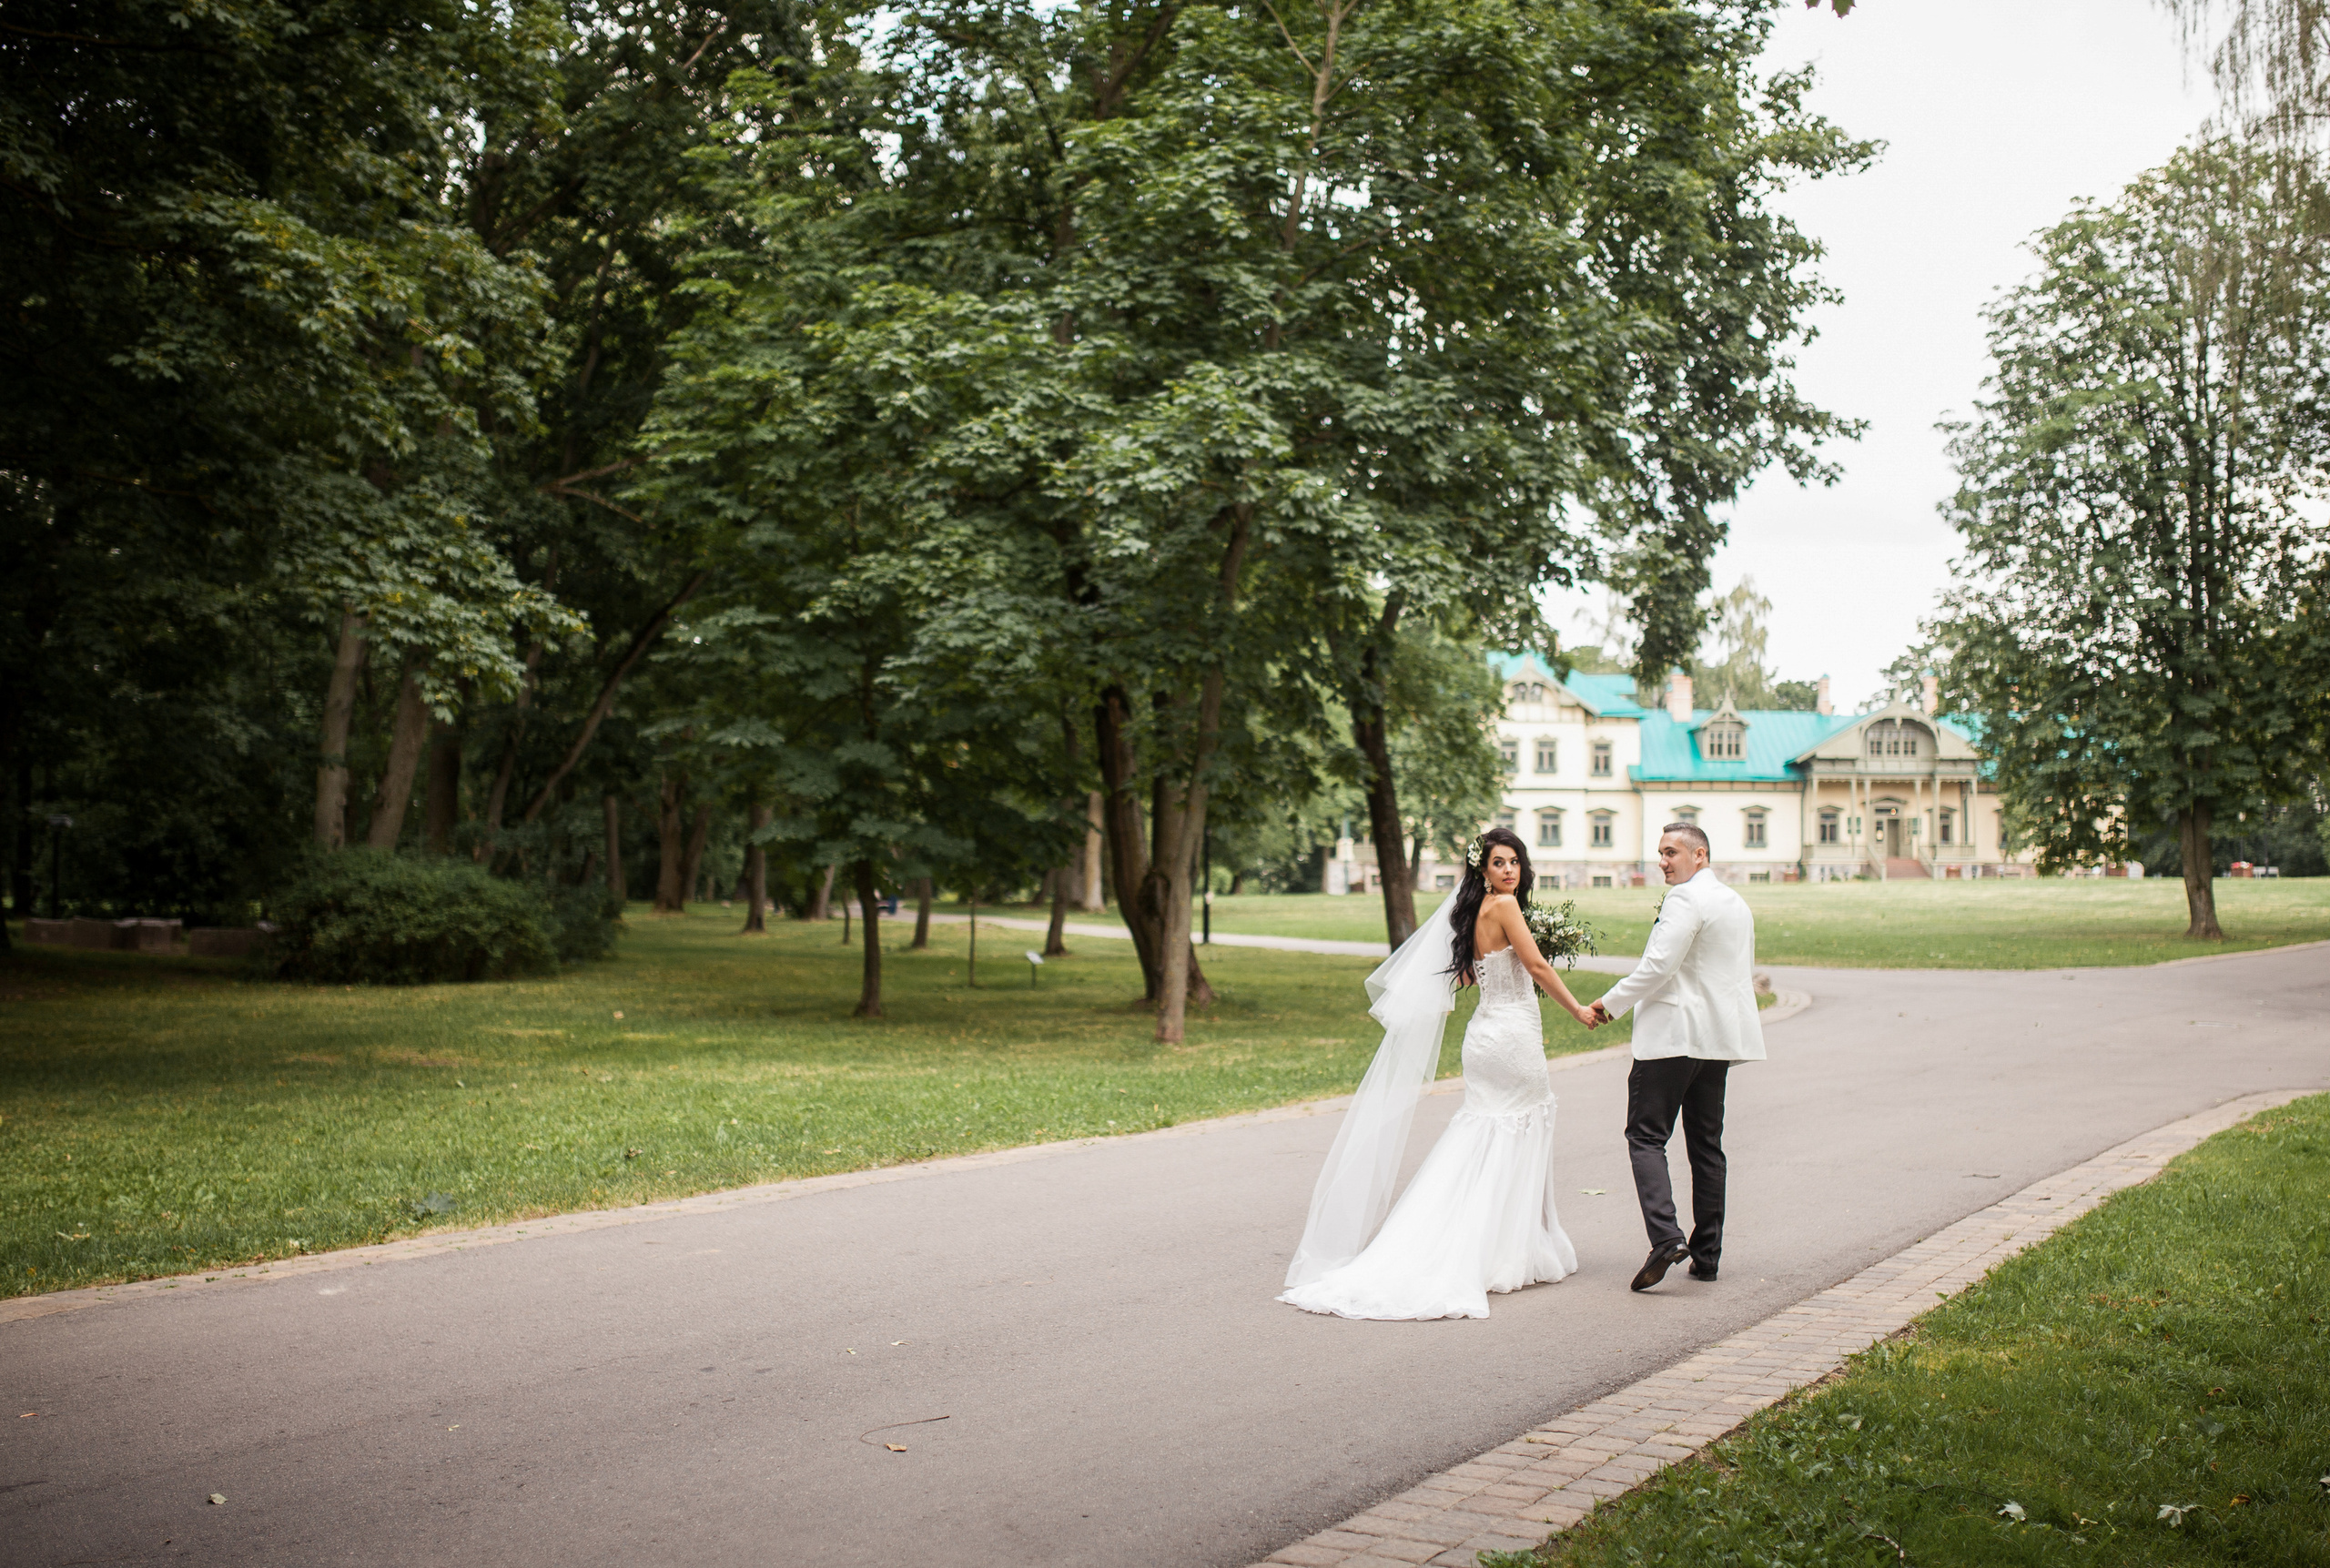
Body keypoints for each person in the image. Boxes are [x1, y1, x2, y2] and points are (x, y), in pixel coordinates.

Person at [1279, 826, 1602, 1320]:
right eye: (1499, 862)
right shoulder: (1507, 907)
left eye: (1515, 861)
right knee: (1520, 1128)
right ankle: (1505, 1248)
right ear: (1483, 868)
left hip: (1486, 1036)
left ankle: (1496, 1243)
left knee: (1489, 1133)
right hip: (1512, 1037)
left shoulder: (1472, 912)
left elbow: (1472, 972)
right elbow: (1535, 966)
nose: (1509, 870)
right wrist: (1578, 1008)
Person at [1589, 822, 1766, 1292]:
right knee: (1706, 1145)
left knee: (1645, 1136)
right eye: (1660, 853)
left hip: (1672, 1037)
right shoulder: (1734, 902)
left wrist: (1609, 1003)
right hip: (1715, 1041)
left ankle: (1666, 1237)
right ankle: (1706, 1256)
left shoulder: (1685, 899)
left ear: (1699, 855)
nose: (1662, 862)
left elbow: (1658, 966)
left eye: (1671, 853)